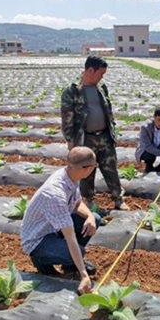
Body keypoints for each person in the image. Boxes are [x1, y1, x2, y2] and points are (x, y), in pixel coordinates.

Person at [21, 147, 102, 295]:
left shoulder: (70, 176)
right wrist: (84, 275)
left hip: (52, 229)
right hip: (37, 240)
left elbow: (77, 203)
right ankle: (41, 260)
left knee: (95, 219)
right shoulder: (55, 194)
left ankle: (69, 264)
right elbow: (70, 237)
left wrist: (90, 216)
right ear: (88, 169)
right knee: (79, 251)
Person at [61, 55, 129, 210]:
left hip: (104, 136)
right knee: (86, 172)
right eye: (101, 73)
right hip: (86, 138)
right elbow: (67, 119)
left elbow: (107, 111)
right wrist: (71, 142)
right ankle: (89, 199)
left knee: (110, 168)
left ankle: (118, 198)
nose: (102, 77)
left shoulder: (101, 88)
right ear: (90, 70)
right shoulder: (72, 91)